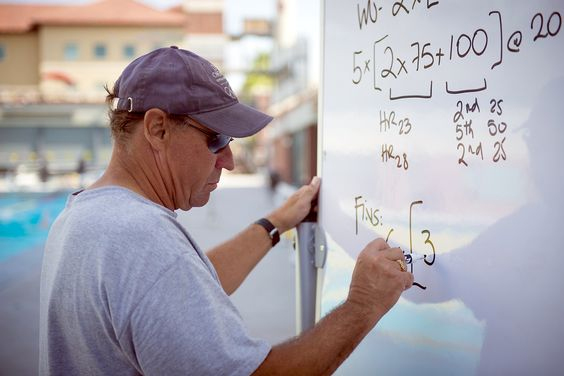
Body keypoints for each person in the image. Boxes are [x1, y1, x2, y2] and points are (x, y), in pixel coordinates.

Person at [39, 46, 413, 375]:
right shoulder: (140, 238)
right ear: (157, 129)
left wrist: (276, 223)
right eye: (216, 139)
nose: (230, 161)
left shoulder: (82, 215)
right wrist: (363, 305)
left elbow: (183, 288)